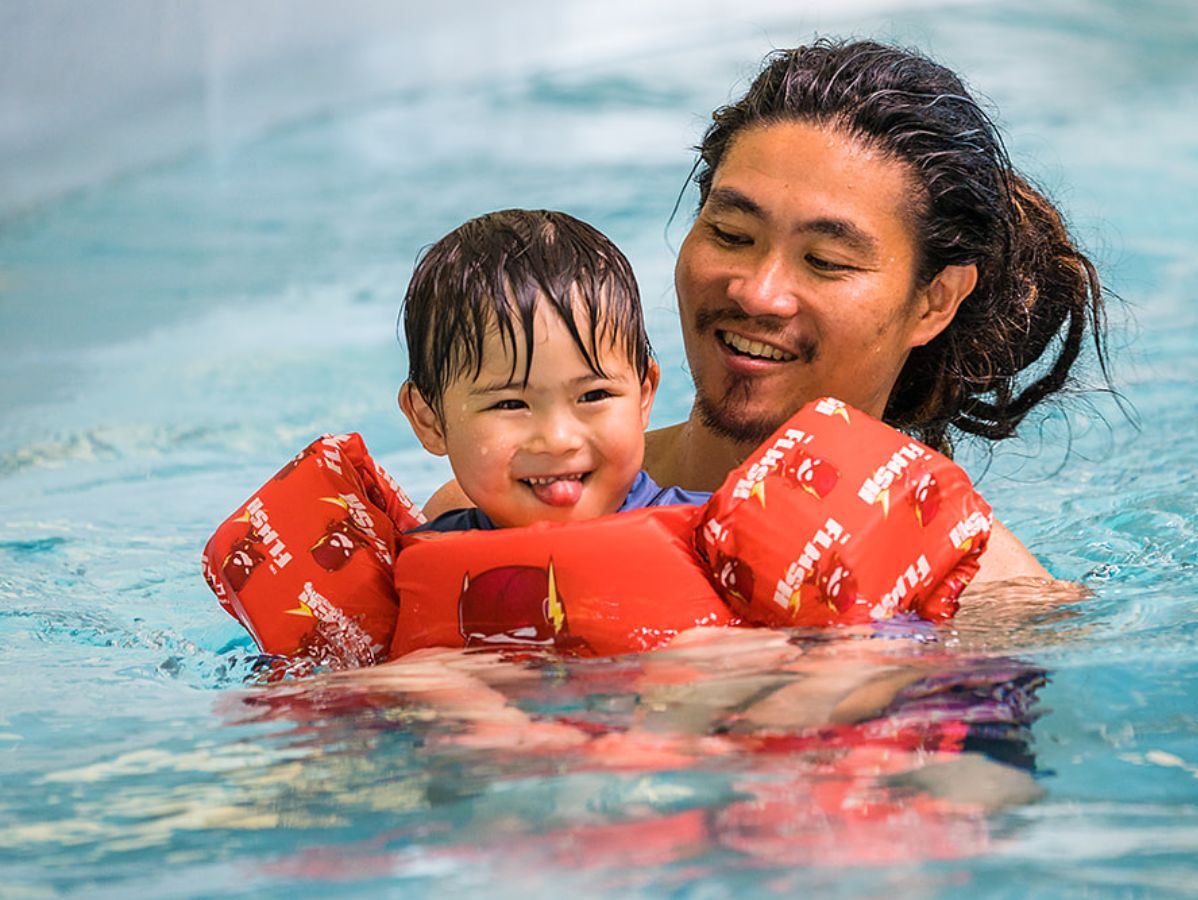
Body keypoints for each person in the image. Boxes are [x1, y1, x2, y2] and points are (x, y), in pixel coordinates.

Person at [425, 39, 1108, 584]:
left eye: (827, 261)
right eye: (731, 236)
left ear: (933, 301)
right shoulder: (500, 507)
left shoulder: (977, 593)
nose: (757, 292)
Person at [398, 208, 708, 532]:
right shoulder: (423, 560)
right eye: (510, 404)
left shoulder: (711, 537)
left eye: (593, 395)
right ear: (429, 419)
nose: (559, 440)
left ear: (643, 398)